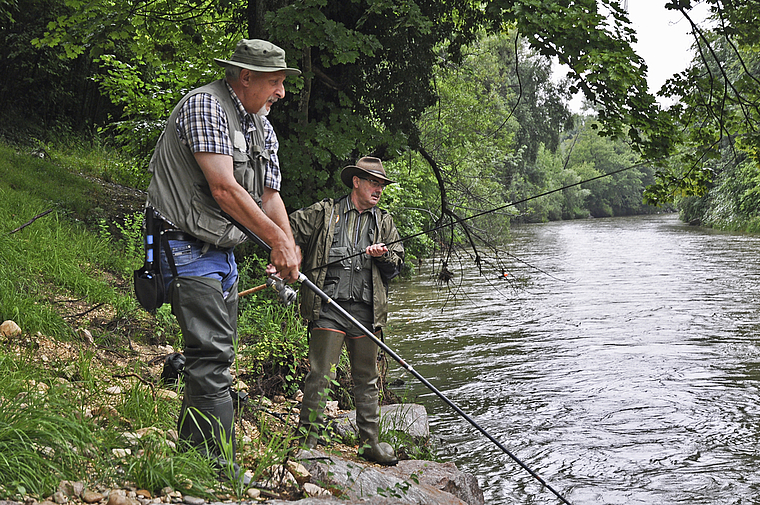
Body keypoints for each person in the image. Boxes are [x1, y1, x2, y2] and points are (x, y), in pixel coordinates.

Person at [143, 39, 301, 480]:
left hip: (223, 253)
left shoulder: (260, 127)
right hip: (182, 246)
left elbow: (270, 195)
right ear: (244, 76)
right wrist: (275, 240)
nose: (281, 93)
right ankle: (217, 471)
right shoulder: (205, 107)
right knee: (212, 357)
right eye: (275, 82)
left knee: (211, 359)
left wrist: (286, 244)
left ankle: (193, 462)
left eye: (283, 82)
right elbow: (224, 189)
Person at [289, 156, 405, 466]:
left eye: (381, 184)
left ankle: (370, 444)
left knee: (367, 379)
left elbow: (395, 268)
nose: (378, 189)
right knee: (320, 375)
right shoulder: (325, 212)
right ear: (356, 182)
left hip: (367, 313)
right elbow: (285, 227)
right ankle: (308, 440)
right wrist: (293, 252)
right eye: (373, 182)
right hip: (328, 307)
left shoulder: (385, 223)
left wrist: (382, 257)